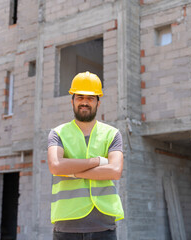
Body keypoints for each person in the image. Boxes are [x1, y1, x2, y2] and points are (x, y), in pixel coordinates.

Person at [47, 71, 124, 240]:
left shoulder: (112, 134)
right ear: (72, 100)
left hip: (104, 226)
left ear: (98, 101)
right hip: (66, 226)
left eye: (90, 98)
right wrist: (98, 161)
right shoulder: (58, 133)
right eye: (80, 97)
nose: (85, 102)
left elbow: (115, 171)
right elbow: (55, 166)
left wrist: (70, 170)